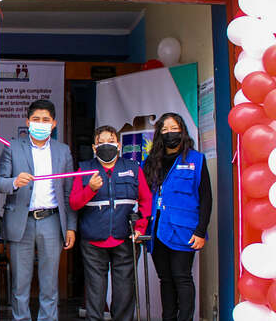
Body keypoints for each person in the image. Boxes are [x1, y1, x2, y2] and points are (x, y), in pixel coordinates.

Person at [0, 99, 77, 321]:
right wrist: (14, 181)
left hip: (51, 221)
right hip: (20, 222)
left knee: (50, 283)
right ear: (27, 122)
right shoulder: (12, 147)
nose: (40, 124)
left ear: (54, 124)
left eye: (45, 120)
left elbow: (69, 192)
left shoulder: (63, 150)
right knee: (20, 284)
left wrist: (71, 227)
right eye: (36, 120)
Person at [69, 125, 152, 321]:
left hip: (124, 237)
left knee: (124, 291)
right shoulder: (84, 169)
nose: (107, 145)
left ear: (119, 145)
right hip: (93, 240)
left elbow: (146, 200)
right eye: (101, 142)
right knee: (95, 291)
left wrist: (140, 228)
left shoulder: (132, 169)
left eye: (111, 141)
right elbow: (74, 203)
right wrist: (89, 188)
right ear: (94, 147)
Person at [143, 112, 212, 321]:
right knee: (165, 279)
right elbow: (143, 196)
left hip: (184, 230)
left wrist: (201, 231)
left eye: (174, 128)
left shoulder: (196, 159)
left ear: (182, 131)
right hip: (157, 229)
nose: (169, 133)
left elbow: (206, 197)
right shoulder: (150, 161)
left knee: (182, 277)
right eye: (164, 129)